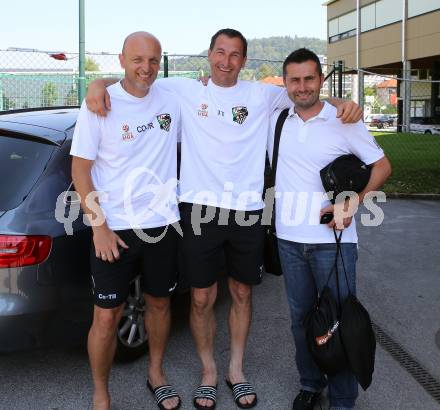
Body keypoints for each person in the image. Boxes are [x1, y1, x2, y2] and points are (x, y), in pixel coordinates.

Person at [85, 29, 363, 410]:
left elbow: (307, 96)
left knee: (242, 293)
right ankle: (208, 372)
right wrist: (96, 83)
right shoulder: (182, 90)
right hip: (197, 211)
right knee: (200, 298)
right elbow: (133, 78)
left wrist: (345, 102)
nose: (226, 61)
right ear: (209, 55)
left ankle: (236, 369)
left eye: (235, 55)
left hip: (247, 211)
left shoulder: (261, 94)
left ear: (244, 61)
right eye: (220, 52)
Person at [268, 48, 392, 410]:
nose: (302, 87)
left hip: (333, 243)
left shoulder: (344, 121)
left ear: (321, 81)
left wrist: (354, 202)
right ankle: (310, 383)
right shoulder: (278, 120)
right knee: (301, 321)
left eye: (310, 79)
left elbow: (382, 167)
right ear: (286, 83)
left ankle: (342, 399)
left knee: (340, 323)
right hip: (289, 240)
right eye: (295, 80)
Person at [71, 32, 182, 410]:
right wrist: (98, 224)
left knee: (161, 305)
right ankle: (101, 394)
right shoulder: (99, 104)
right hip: (113, 228)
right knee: (105, 317)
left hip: (162, 224)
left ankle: (156, 374)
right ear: (121, 59)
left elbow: (223, 88)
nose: (146, 68)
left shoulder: (172, 96)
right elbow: (80, 170)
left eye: (153, 60)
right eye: (138, 59)